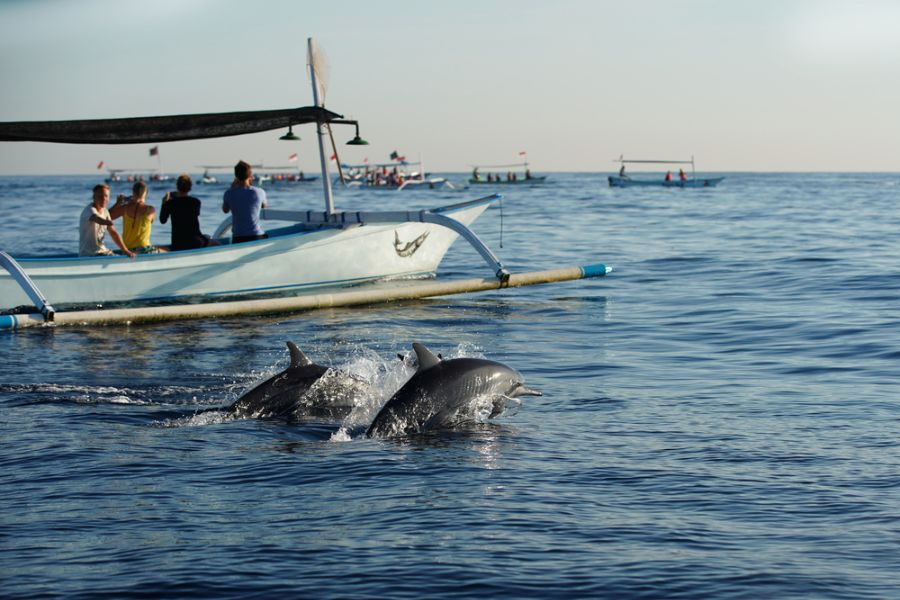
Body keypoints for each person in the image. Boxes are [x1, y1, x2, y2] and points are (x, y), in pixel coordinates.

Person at [160, 174, 218, 251]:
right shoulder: (196, 202)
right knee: (216, 243)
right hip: (195, 242)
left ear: (177, 187)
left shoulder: (171, 203)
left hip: (177, 243)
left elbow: (162, 220)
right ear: (190, 188)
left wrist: (164, 203)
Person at [79, 184, 135, 258]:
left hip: (101, 251)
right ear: (94, 197)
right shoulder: (89, 210)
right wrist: (107, 222)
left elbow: (113, 233)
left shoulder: (105, 212)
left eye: (106, 196)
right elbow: (96, 218)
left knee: (120, 253)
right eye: (100, 196)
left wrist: (126, 250)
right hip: (89, 254)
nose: (104, 198)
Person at [222, 160, 268, 244]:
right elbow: (264, 206)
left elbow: (225, 210)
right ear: (250, 175)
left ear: (236, 176)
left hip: (238, 238)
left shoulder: (228, 193)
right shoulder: (259, 192)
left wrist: (232, 188)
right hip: (256, 236)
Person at [110, 180, 160, 253]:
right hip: (145, 249)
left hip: (128, 250)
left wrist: (117, 204)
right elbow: (151, 221)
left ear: (133, 193)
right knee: (162, 249)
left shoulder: (124, 208)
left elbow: (106, 216)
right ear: (146, 194)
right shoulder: (151, 210)